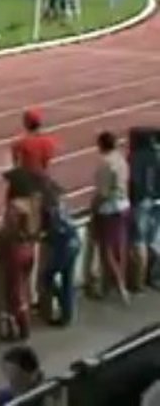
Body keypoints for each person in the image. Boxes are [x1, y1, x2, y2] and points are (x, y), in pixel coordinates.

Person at [0, 167, 43, 341]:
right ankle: (24, 322)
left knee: (15, 292)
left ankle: (22, 328)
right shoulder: (33, 203)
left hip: (16, 251)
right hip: (30, 248)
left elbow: (10, 230)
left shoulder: (14, 206)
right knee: (24, 287)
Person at [92, 130, 131, 303]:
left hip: (109, 209)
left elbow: (103, 192)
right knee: (119, 247)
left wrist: (94, 207)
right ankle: (112, 285)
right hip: (124, 205)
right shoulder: (121, 159)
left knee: (106, 251)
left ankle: (120, 287)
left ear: (101, 145)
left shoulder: (105, 163)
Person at [39, 178, 81, 326]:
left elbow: (51, 231)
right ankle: (67, 314)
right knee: (67, 279)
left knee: (47, 276)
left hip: (65, 246)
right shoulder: (63, 206)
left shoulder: (52, 210)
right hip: (74, 241)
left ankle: (63, 303)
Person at [11, 108, 56, 176]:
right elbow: (47, 160)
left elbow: (15, 161)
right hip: (42, 177)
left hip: (27, 177)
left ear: (26, 123)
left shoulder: (21, 143)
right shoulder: (48, 141)